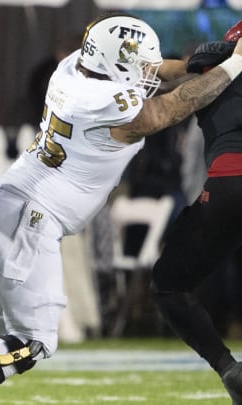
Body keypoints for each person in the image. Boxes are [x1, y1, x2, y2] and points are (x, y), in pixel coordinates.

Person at [0, 12, 242, 405]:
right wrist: (233, 65)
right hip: (31, 219)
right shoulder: (105, 100)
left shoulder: (73, 68)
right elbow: (169, 108)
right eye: (141, 66)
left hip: (0, 206)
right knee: (36, 341)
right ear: (118, 67)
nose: (148, 72)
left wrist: (197, 62)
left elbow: (154, 70)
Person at [151, 20, 242, 404]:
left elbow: (158, 99)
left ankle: (228, 368)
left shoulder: (213, 64)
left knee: (169, 284)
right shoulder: (212, 62)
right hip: (228, 178)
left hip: (230, 180)